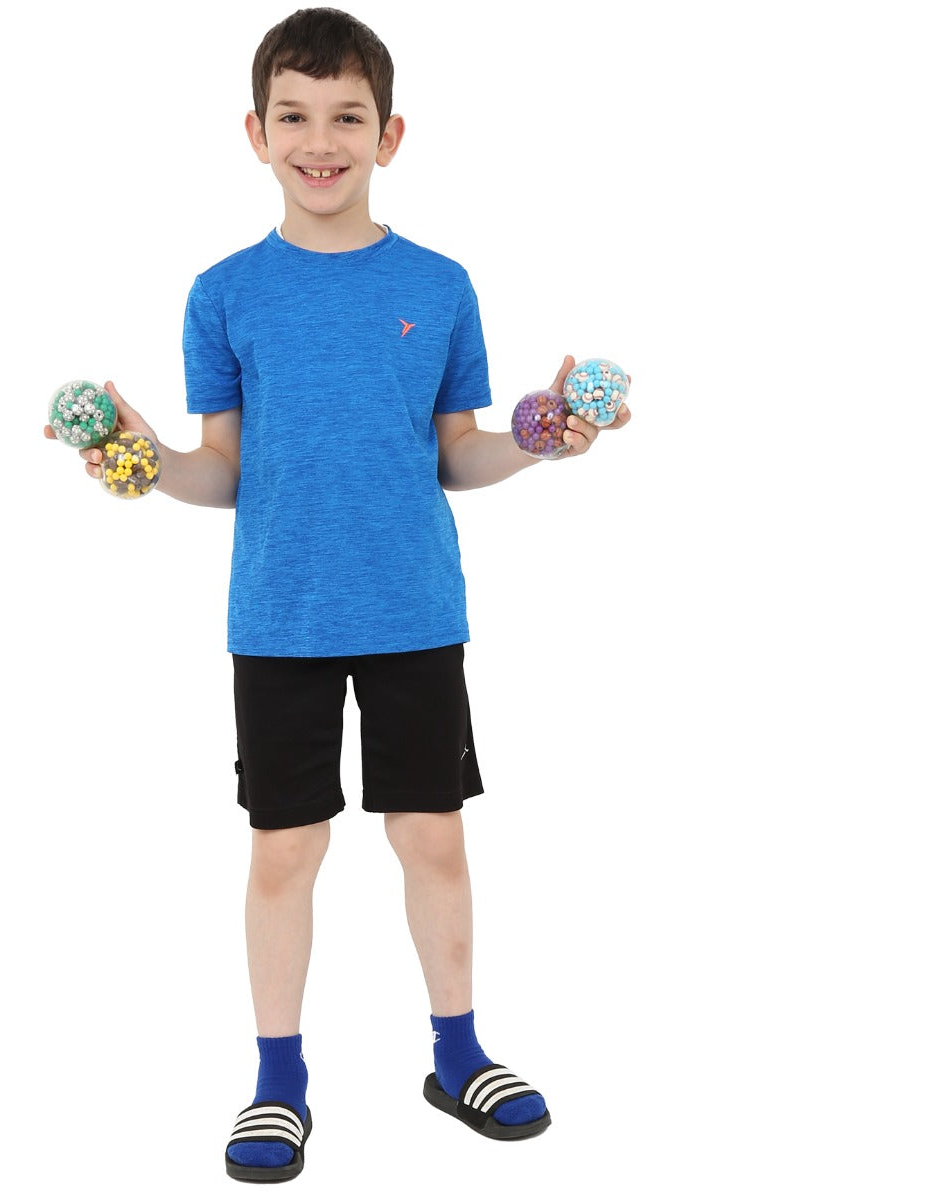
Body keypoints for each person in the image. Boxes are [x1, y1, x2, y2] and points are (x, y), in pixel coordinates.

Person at [44, 7, 630, 1183]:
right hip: (281, 615)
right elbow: (227, 472)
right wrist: (139, 459)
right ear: (255, 133)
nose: (322, 141)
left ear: (391, 133)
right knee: (283, 850)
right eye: (296, 118)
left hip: (415, 607)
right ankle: (278, 1082)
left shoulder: (440, 283)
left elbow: (453, 454)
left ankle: (457, 1054)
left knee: (433, 837)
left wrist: (541, 438)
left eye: (347, 117)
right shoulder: (224, 293)